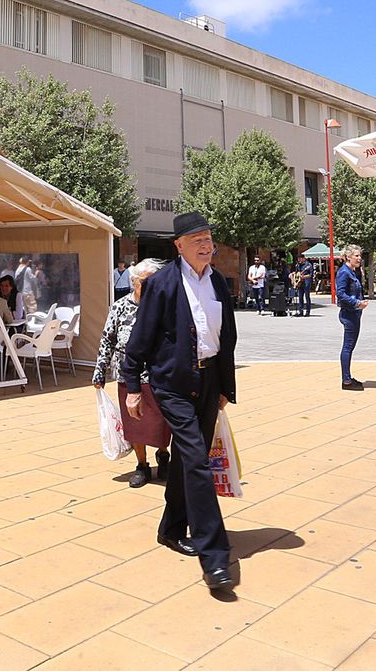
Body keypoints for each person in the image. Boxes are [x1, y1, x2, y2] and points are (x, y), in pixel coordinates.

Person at [122, 211, 239, 592]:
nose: (206, 245)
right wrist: (132, 386)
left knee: (190, 463)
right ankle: (214, 555)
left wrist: (224, 387)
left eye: (208, 238)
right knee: (197, 462)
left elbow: (226, 338)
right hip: (172, 384)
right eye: (197, 240)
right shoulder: (162, 284)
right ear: (179, 246)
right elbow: (140, 337)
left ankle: (171, 529)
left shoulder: (218, 282)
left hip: (208, 383)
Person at [94, 258, 171, 487]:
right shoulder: (120, 307)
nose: (148, 287)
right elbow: (107, 340)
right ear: (133, 282)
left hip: (157, 375)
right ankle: (142, 465)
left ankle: (163, 454)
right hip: (128, 375)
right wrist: (100, 371)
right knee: (135, 422)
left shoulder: (163, 307)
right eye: (143, 282)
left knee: (160, 422)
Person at [336, 246, 369, 390]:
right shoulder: (344, 272)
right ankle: (346, 381)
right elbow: (340, 294)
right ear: (348, 257)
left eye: (360, 255)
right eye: (356, 255)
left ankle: (348, 378)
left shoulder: (353, 272)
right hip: (349, 313)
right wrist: (356, 303)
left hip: (355, 313)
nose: (359, 258)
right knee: (348, 347)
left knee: (350, 347)